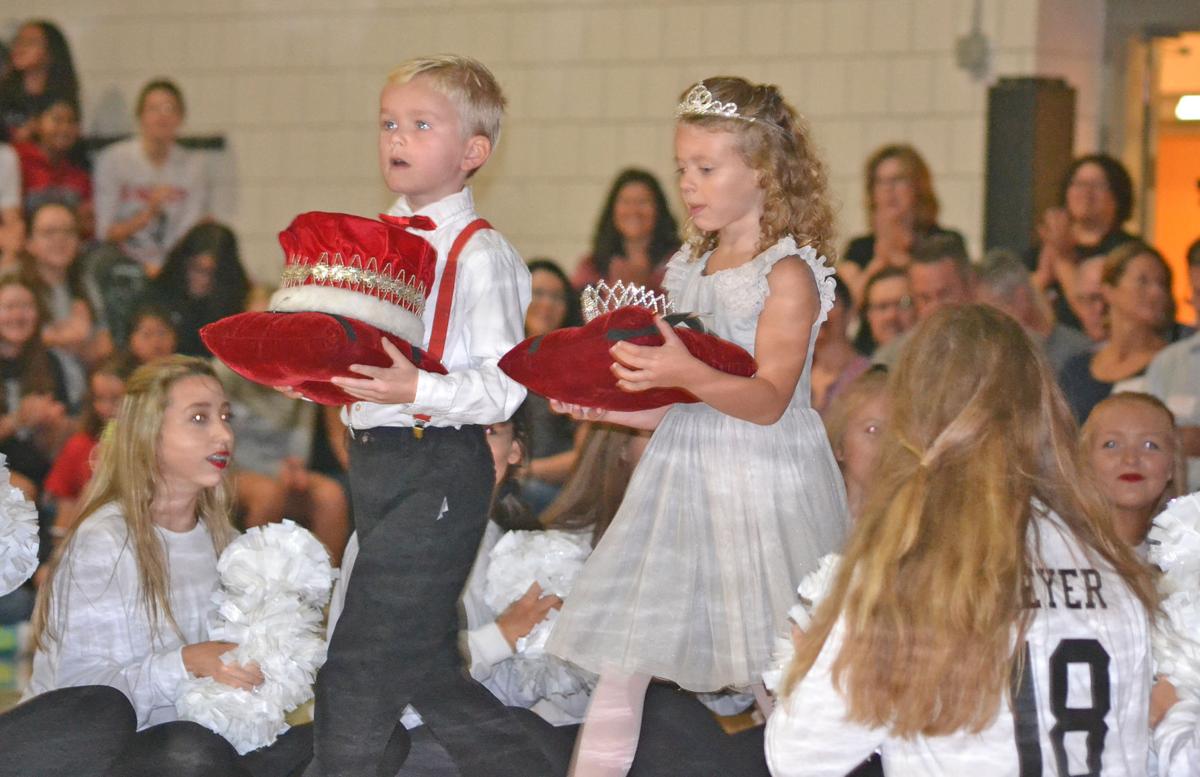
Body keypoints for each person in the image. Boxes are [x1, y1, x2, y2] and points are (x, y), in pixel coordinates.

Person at [546, 77, 848, 776]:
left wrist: (681, 371)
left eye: (706, 168)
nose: (687, 184)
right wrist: (610, 404)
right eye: (682, 167)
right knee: (627, 660)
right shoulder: (688, 268)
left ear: (763, 173)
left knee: (781, 675)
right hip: (687, 477)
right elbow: (689, 404)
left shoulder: (789, 275)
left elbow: (769, 397)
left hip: (765, 482)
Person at [765, 303, 1158, 776]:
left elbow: (801, 758)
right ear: (1039, 405)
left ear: (918, 413)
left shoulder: (910, 569)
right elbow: (1135, 756)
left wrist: (815, 661)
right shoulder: (1107, 564)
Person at [297, 55, 551, 777]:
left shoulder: (483, 256)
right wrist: (314, 371)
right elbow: (361, 362)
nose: (395, 137)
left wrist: (419, 387)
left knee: (358, 661)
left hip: (438, 461)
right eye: (387, 122)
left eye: (419, 124)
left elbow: (503, 388)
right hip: (379, 463)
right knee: (428, 667)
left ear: (473, 153)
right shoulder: (371, 244)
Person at [22, 356, 311, 777]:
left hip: (204, 745)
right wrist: (187, 662)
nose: (223, 433)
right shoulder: (103, 542)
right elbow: (80, 700)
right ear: (149, 434)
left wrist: (266, 669)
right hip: (100, 756)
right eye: (199, 418)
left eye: (225, 417)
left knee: (360, 741)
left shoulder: (228, 542)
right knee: (190, 751)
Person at [92, 79, 210, 276]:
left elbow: (188, 230)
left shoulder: (193, 167)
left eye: (169, 108)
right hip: (121, 263)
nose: (161, 116)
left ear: (180, 118)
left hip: (173, 267)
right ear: (140, 116)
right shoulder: (114, 160)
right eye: (153, 109)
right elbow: (104, 233)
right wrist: (147, 214)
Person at [1059, 240, 1173, 422]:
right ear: (1109, 290)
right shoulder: (1076, 369)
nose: (1156, 293)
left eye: (1162, 284)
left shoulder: (1175, 365)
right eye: (1143, 281)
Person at [839, 144, 965, 304]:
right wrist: (879, 262)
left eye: (898, 180)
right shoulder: (860, 248)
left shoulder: (944, 241)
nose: (889, 190)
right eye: (880, 182)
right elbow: (844, 307)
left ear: (918, 186)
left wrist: (903, 261)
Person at [1027, 154, 1139, 330]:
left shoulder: (1128, 252)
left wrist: (1062, 260)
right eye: (1078, 184)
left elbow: (1097, 318)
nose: (1086, 193)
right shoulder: (1044, 248)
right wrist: (1043, 275)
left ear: (1117, 196)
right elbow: (1017, 303)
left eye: (1098, 186)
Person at [521, 258, 586, 515]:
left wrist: (527, 471)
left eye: (557, 297)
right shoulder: (493, 361)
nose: (547, 304)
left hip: (556, 492)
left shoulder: (580, 369)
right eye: (538, 293)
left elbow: (585, 458)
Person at [1081, 392, 1185, 550]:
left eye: (1150, 445)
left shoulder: (1187, 556)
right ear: (1086, 460)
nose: (1130, 459)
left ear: (1172, 466)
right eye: (1111, 444)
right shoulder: (1046, 544)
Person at [0, 274, 72, 494]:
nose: (18, 315)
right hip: (10, 474)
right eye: (9, 306)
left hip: (40, 470)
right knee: (20, 494)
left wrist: (52, 424)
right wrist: (16, 420)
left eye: (26, 306)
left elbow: (56, 444)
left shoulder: (51, 362)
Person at [44, 356, 129, 533]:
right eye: (99, 398)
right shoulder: (80, 445)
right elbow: (64, 514)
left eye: (116, 399)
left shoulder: (154, 447)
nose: (105, 408)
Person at [142, 222, 250, 358]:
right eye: (196, 269)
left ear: (224, 274)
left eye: (211, 272)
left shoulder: (239, 300)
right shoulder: (159, 294)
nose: (202, 279)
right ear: (183, 263)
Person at [976, 249, 1092, 374]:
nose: (987, 324)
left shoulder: (1076, 356)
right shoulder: (990, 359)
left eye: (992, 312)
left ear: (1021, 299)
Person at [871, 232, 974, 367]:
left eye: (944, 294)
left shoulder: (995, 348)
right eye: (925, 298)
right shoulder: (891, 360)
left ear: (969, 287)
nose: (936, 307)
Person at [572, 168, 681, 292]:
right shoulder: (591, 267)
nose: (633, 210)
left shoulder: (679, 263)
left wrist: (645, 285)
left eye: (642, 201)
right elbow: (578, 308)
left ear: (659, 209)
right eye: (626, 202)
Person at [13, 97, 91, 233]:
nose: (65, 128)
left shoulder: (80, 176)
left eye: (71, 122)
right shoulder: (16, 161)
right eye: (57, 120)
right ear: (36, 124)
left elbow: (87, 227)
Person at [821, 367, 888, 521]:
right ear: (840, 447)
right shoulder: (817, 520)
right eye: (872, 430)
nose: (888, 443)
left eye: (898, 429)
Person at [0, 20, 79, 144]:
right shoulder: (4, 92)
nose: (20, 48)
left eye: (30, 42)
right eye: (18, 41)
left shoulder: (61, 97)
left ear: (50, 52)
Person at [812, 278, 870, 414]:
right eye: (810, 304)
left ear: (849, 311)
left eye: (828, 303)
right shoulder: (794, 376)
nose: (818, 313)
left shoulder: (866, 376)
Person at [852, 266, 913, 355]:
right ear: (868, 315)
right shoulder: (859, 367)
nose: (891, 315)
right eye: (882, 307)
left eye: (902, 304)